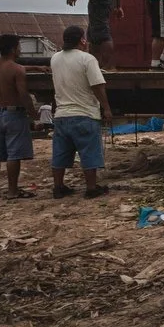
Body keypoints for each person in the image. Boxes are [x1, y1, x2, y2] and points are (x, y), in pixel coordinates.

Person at [50, 25, 112, 198]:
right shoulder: (87, 59)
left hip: (62, 114)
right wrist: (106, 108)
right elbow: (97, 85)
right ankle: (91, 188)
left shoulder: (55, 59)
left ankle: (58, 187)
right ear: (82, 40)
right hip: (84, 113)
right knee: (89, 152)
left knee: (60, 153)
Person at [0, 34, 36, 202]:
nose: (20, 49)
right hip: (14, 113)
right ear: (14, 48)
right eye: (19, 46)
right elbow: (23, 94)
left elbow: (8, 72)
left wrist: (37, 67)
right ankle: (12, 191)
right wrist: (33, 113)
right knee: (13, 154)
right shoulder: (17, 70)